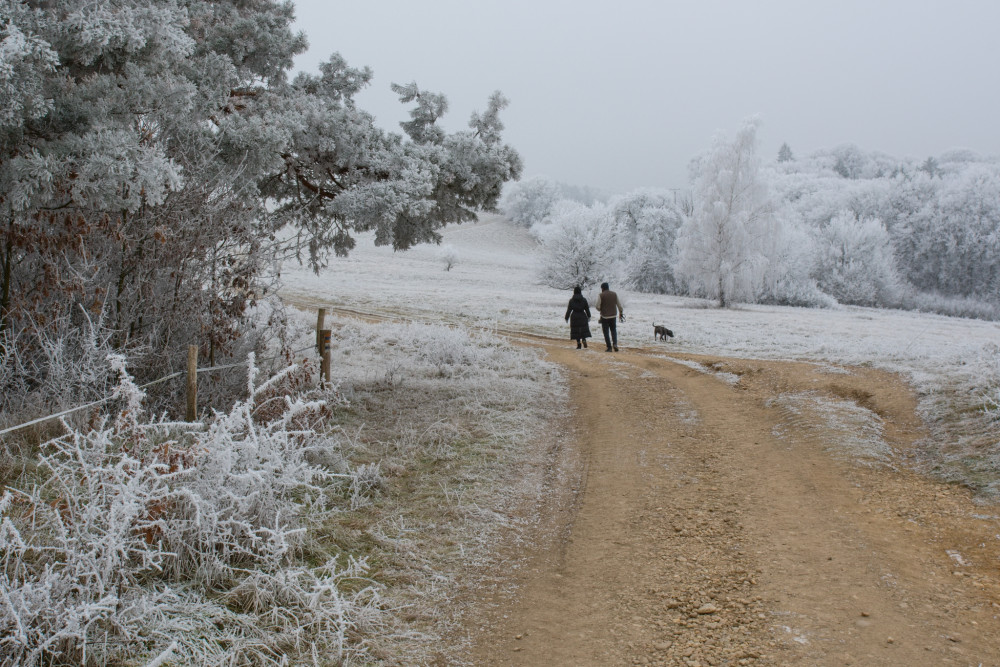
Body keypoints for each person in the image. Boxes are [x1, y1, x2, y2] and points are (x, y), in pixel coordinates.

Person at [595, 282, 624, 351]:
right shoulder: (614, 294)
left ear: (602, 288)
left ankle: (609, 347)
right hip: (613, 316)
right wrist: (621, 312)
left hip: (604, 317)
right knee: (613, 330)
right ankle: (615, 344)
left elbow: (597, 306)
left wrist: (601, 310)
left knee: (606, 332)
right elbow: (619, 305)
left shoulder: (601, 295)